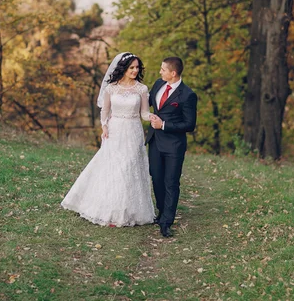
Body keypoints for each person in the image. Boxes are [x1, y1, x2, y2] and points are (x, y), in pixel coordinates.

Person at [61, 52, 155, 227]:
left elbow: (143, 113)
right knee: (115, 169)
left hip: (133, 131)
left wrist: (153, 118)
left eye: (137, 68)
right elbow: (105, 111)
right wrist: (104, 126)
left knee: (129, 168)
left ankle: (129, 211)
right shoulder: (111, 88)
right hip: (115, 131)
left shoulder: (141, 89)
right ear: (123, 69)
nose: (135, 70)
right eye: (131, 68)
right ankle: (110, 210)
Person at [146, 57, 198, 237]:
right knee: (157, 179)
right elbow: (146, 104)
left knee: (171, 182)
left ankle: (166, 221)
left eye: (163, 69)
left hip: (174, 146)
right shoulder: (158, 84)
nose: (160, 72)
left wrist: (164, 125)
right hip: (154, 142)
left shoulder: (187, 95)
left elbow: (190, 124)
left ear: (173, 73)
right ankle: (161, 211)